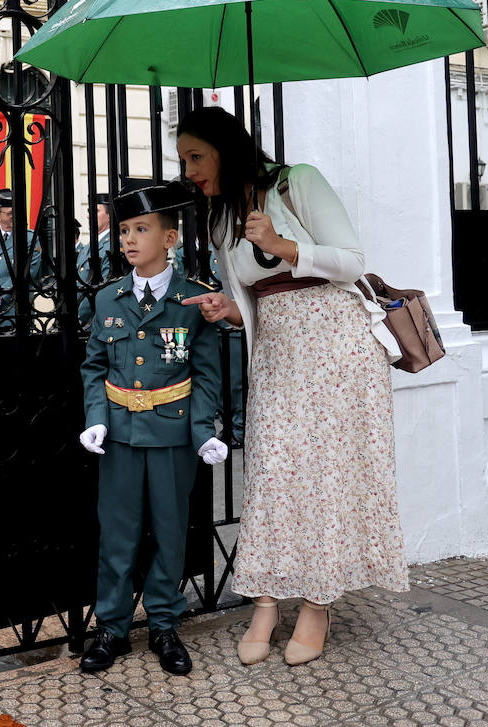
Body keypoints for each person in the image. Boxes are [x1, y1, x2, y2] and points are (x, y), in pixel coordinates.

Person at [176, 106, 408, 666]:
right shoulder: (221, 218)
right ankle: (265, 601)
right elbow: (256, 300)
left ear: (226, 149)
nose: (188, 170)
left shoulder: (295, 181)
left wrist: (283, 245)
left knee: (325, 477)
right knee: (274, 473)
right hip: (280, 354)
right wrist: (229, 308)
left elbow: (352, 261)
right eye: (183, 160)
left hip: (337, 346)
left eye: (195, 157)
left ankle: (317, 602)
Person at [77, 182, 229, 676]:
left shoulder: (195, 301)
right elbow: (94, 366)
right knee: (117, 534)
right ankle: (113, 628)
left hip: (171, 434)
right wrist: (96, 419)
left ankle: (165, 624)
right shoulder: (107, 299)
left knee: (169, 532)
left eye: (141, 229)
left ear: (170, 239)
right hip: (120, 434)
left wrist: (204, 429)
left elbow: (205, 372)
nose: (128, 239)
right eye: (123, 230)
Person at [0, 188, 43, 333]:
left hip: (14, 311)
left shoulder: (29, 238)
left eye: (15, 212)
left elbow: (28, 271)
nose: (13, 216)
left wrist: (1, 297)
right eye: (9, 214)